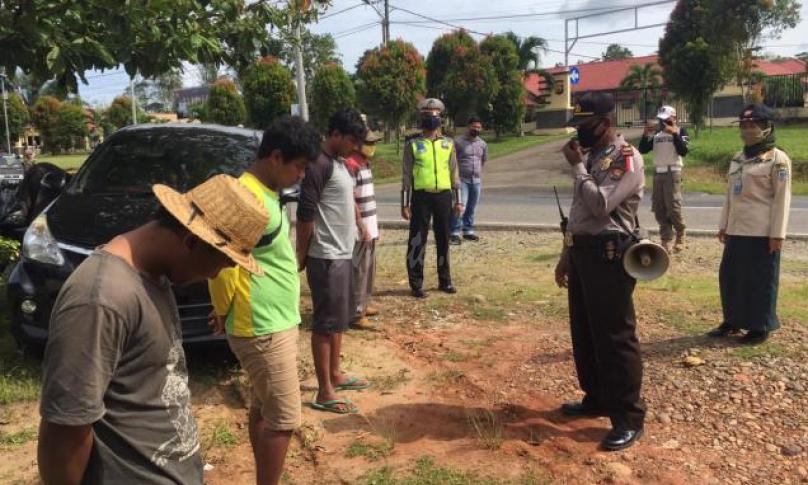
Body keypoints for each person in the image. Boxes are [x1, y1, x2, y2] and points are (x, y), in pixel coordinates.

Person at [38, 175, 269, 484]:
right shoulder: (101, 298)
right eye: (222, 263)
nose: (215, 275)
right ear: (191, 241)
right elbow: (65, 429)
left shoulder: (154, 277)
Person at [208, 116, 321, 485]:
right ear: (276, 156)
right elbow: (222, 264)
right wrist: (222, 308)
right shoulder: (248, 199)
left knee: (264, 407)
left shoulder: (265, 194)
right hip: (261, 324)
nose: (302, 176)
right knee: (285, 419)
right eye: (299, 167)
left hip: (272, 319)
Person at [553, 92, 646, 451]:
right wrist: (566, 255)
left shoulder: (626, 159)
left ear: (606, 124)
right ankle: (596, 398)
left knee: (615, 338)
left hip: (610, 255)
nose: (579, 132)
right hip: (583, 253)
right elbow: (577, 215)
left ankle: (628, 418)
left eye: (585, 124)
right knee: (586, 333)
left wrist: (576, 167)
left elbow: (600, 204)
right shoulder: (594, 157)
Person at [297, 107, 370, 414]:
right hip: (325, 256)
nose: (355, 147)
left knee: (338, 321)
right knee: (325, 325)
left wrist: (360, 222)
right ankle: (324, 390)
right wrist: (302, 254)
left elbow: (347, 198)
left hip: (343, 251)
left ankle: (336, 374)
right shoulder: (318, 164)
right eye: (351, 141)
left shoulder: (339, 163)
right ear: (336, 135)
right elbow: (305, 214)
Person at [708, 104, 792, 345]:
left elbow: (782, 200)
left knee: (760, 279)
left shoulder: (778, 159)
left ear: (766, 128)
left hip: (762, 231)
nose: (747, 130)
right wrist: (724, 224)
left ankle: (760, 325)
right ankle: (732, 320)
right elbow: (729, 195)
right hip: (737, 229)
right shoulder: (738, 158)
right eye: (744, 126)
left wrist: (777, 234)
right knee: (732, 277)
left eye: (752, 125)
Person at [401, 98, 463, 298]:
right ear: (422, 118)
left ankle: (445, 281)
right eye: (427, 115)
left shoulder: (448, 144)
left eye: (435, 115)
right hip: (421, 197)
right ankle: (416, 284)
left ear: (440, 118)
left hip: (443, 196)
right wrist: (404, 204)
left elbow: (454, 173)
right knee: (418, 240)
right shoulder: (412, 144)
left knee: (443, 238)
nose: (431, 119)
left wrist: (458, 200)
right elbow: (406, 175)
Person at [638, 105, 689, 253]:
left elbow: (683, 151)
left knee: (673, 206)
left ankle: (680, 233)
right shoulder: (657, 135)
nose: (664, 123)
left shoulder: (681, 132)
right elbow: (643, 149)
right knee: (659, 208)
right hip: (658, 173)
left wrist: (674, 134)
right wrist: (645, 134)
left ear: (674, 118)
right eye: (661, 120)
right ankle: (665, 238)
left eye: (667, 120)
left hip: (673, 172)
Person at [345, 128, 382, 330]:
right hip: (360, 230)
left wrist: (374, 228)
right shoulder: (351, 165)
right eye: (369, 142)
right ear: (357, 143)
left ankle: (364, 304)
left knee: (369, 269)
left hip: (370, 227)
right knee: (359, 270)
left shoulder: (365, 164)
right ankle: (355, 313)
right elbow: (350, 200)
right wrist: (362, 226)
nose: (373, 146)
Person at [450, 116, 488, 244]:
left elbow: (483, 161)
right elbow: (452, 162)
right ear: (468, 126)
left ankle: (468, 231)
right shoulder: (458, 142)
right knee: (460, 207)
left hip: (476, 181)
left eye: (478, 127)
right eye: (474, 127)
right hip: (462, 180)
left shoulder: (482, 144)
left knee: (472, 207)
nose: (476, 129)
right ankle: (454, 232)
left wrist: (477, 172)